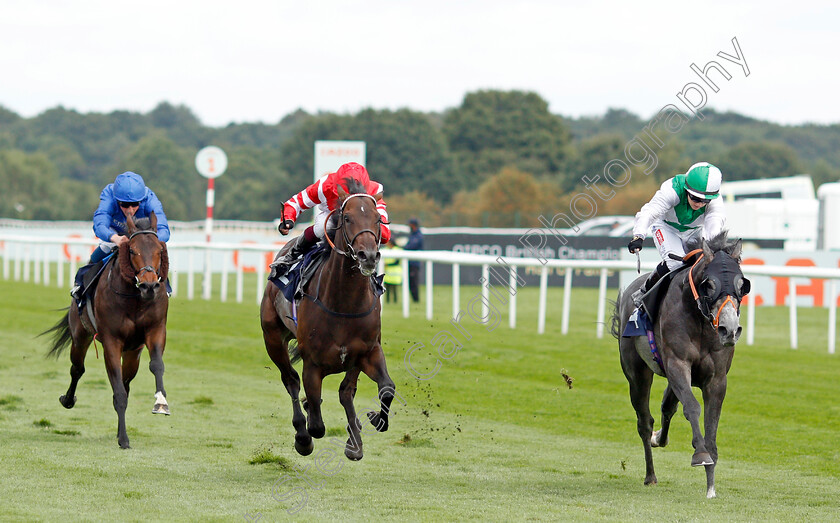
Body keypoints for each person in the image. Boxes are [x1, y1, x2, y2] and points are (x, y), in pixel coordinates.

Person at [269, 162, 391, 278]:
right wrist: (288, 219)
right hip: (333, 213)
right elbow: (296, 202)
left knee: (376, 234)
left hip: (360, 220)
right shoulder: (325, 185)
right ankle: (292, 254)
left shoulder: (375, 190)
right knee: (323, 226)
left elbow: (385, 231)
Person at [628, 162, 725, 305]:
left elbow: (714, 228)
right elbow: (649, 212)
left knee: (703, 264)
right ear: (686, 190)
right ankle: (644, 291)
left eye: (705, 200)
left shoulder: (716, 201)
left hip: (693, 231)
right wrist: (639, 235)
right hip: (666, 227)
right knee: (676, 263)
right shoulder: (672, 189)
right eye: (696, 198)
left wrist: (715, 251)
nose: (699, 204)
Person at [70, 171, 170, 300]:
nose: (130, 210)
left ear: (141, 200)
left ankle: (165, 288)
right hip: (116, 231)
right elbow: (100, 224)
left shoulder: (150, 198)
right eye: (124, 204)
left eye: (134, 204)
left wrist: (151, 241)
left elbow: (164, 230)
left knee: (153, 251)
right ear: (117, 200)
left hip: (141, 233)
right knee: (106, 246)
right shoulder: (109, 195)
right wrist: (114, 237)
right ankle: (81, 284)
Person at [403, 218, 424, 303]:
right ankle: (414, 299)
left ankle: (416, 300)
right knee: (411, 283)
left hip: (415, 263)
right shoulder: (412, 234)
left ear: (413, 225)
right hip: (410, 262)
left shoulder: (418, 235)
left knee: (414, 282)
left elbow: (411, 246)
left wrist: (403, 247)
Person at [382, 238, 403, 303]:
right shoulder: (385, 250)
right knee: (387, 289)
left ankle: (395, 301)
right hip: (387, 273)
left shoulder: (398, 250)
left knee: (394, 289)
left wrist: (388, 265)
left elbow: (397, 261)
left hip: (395, 273)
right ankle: (388, 301)